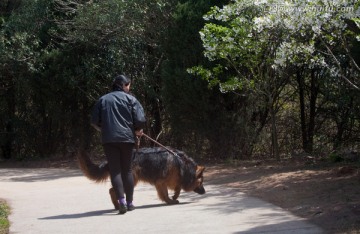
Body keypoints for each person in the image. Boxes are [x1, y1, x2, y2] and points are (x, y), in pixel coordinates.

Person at [91, 74, 146, 214]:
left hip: (109, 140)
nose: (128, 88)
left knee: (115, 171)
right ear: (123, 85)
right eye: (128, 85)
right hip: (127, 139)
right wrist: (137, 130)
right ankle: (130, 203)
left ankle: (121, 201)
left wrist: (104, 128)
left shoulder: (103, 100)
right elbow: (140, 120)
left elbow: (94, 120)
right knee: (127, 170)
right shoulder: (131, 99)